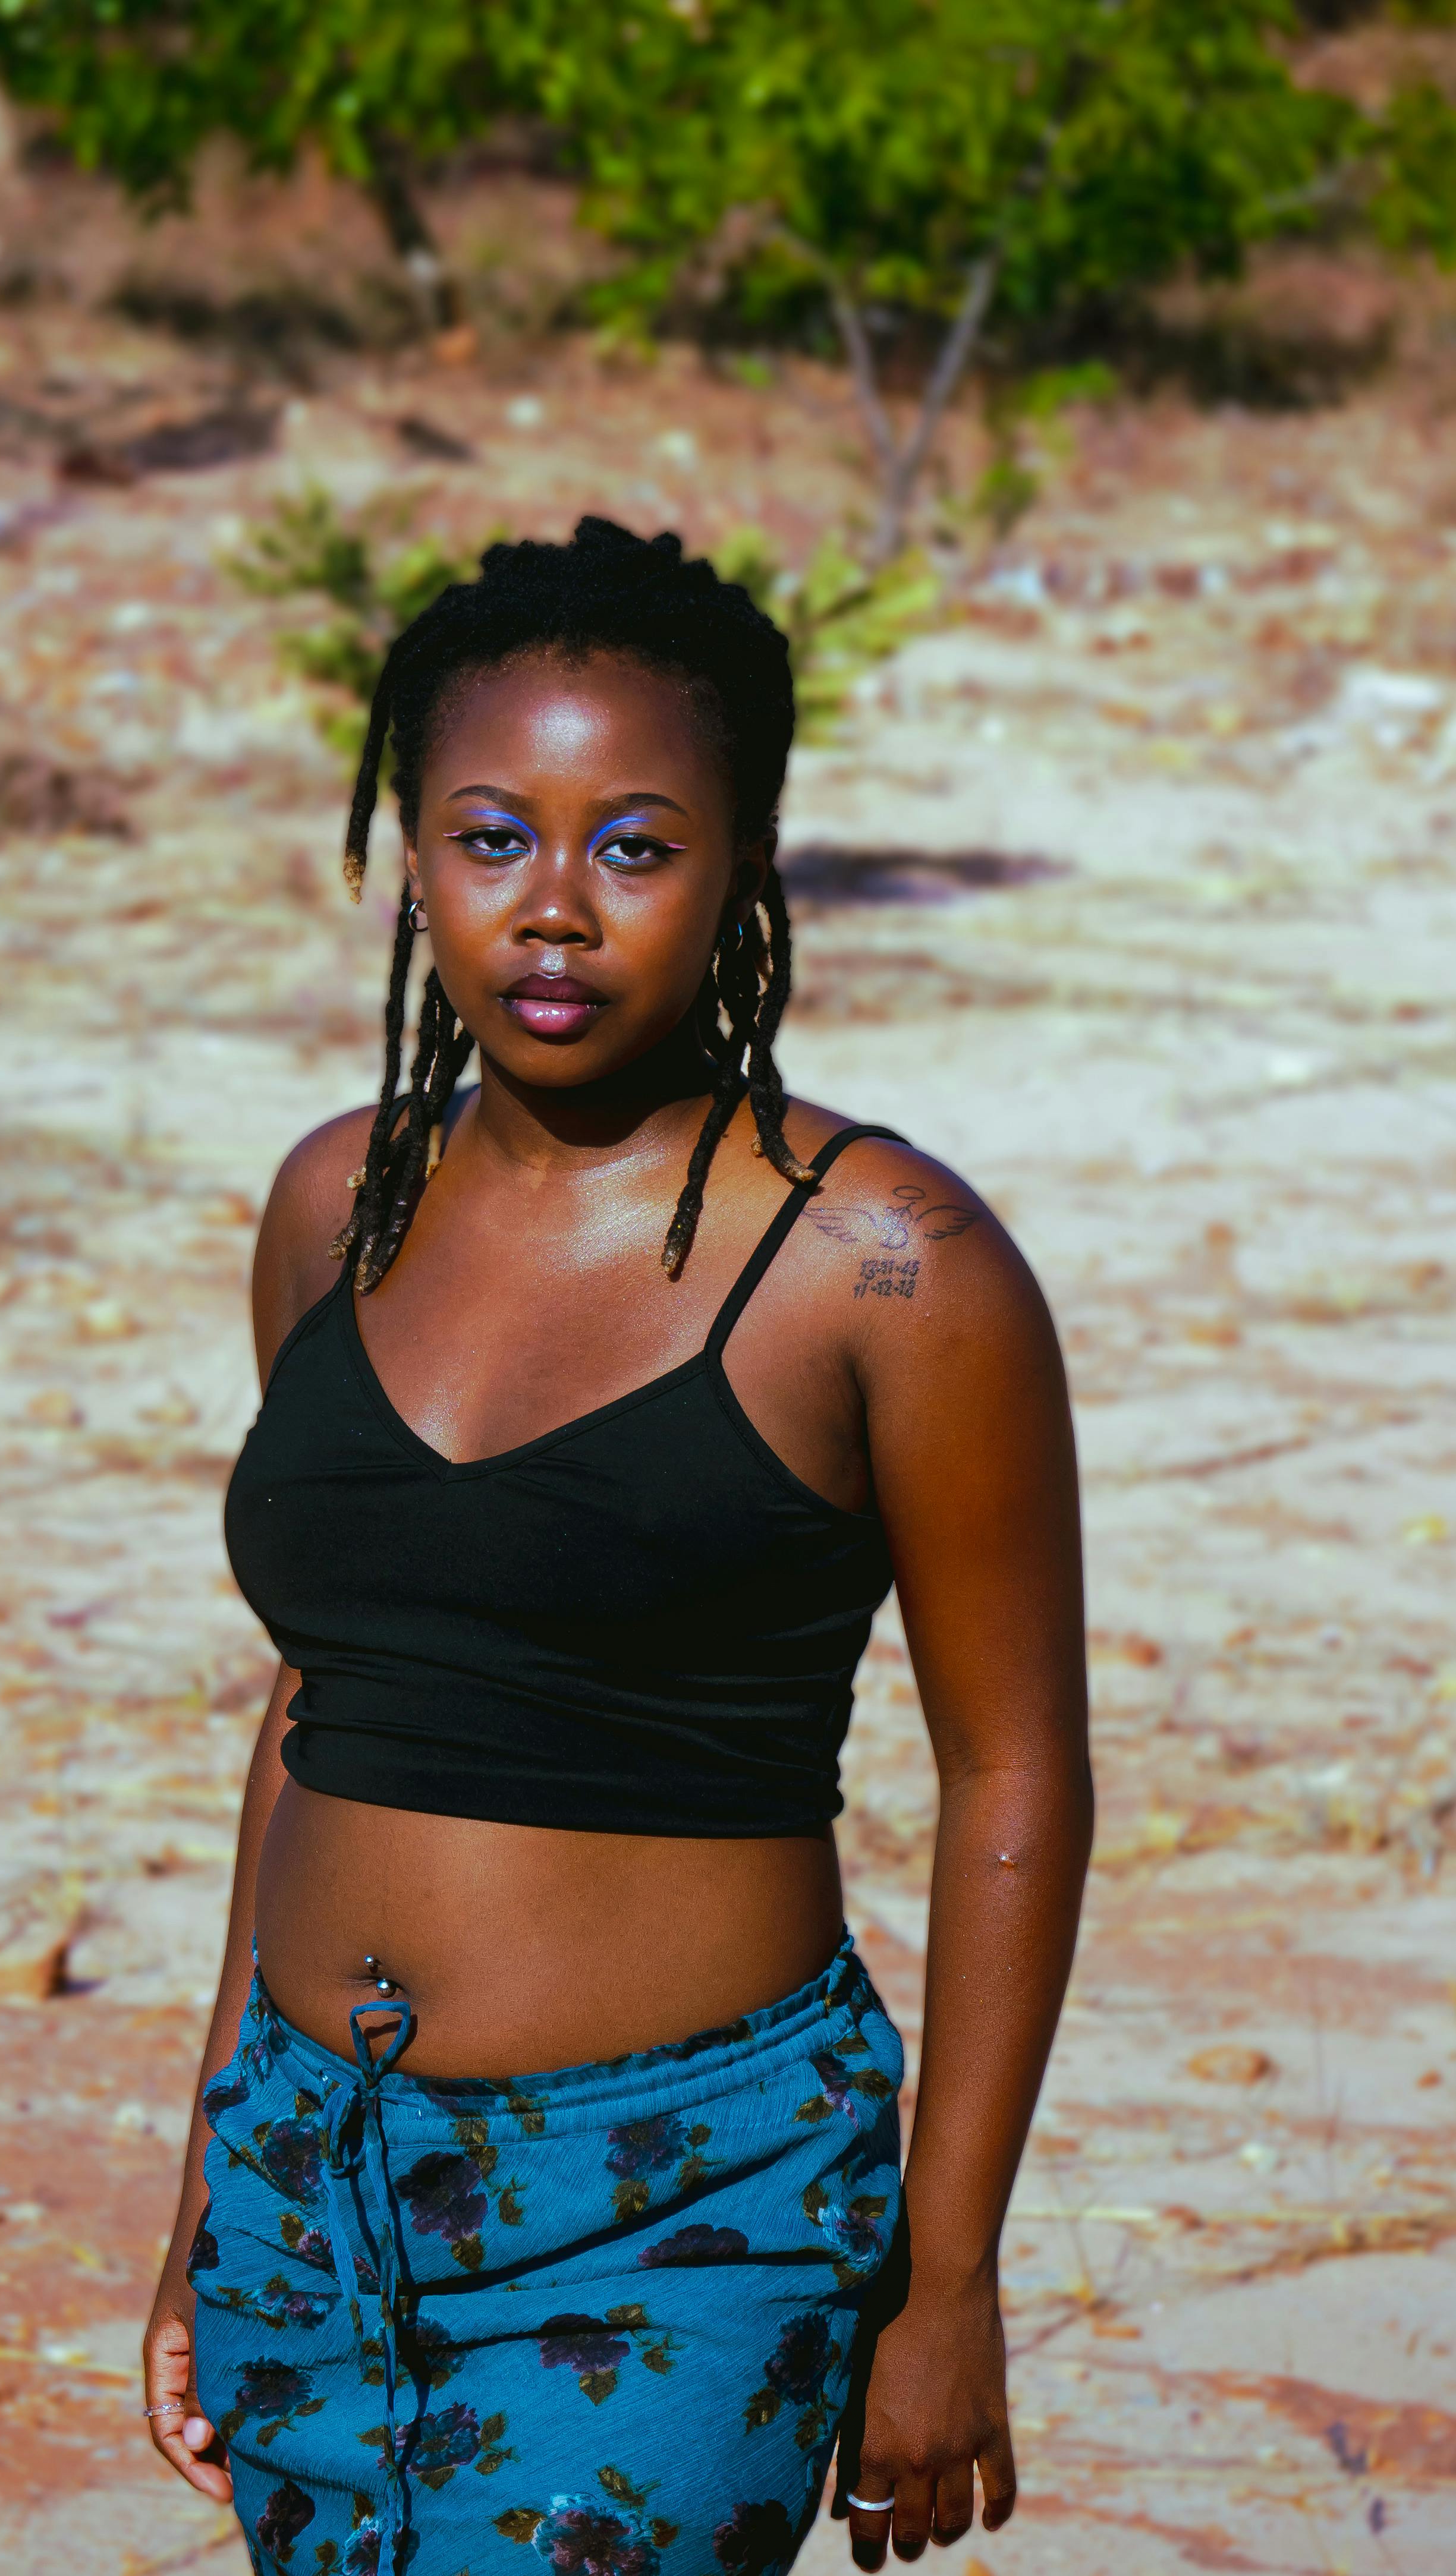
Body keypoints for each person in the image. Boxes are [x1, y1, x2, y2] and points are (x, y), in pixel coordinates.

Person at [141, 519, 1091, 2576]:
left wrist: (946, 2280)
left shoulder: (882, 1265)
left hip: (680, 2215)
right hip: (317, 2174)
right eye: (492, 837)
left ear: (749, 867)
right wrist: (214, 2173)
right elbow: (317, 1698)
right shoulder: (339, 1205)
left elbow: (1014, 1769)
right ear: (411, 857)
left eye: (635, 848)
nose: (552, 910)